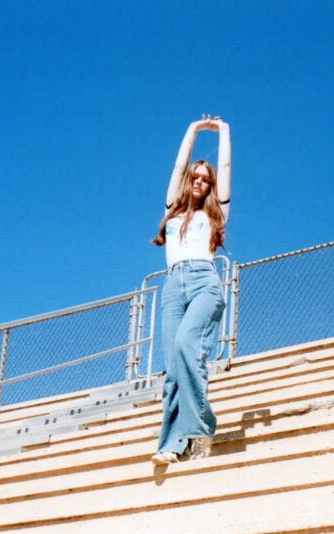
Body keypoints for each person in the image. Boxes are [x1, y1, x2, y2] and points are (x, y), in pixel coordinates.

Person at [150, 114, 231, 465]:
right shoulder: (174, 210)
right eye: (195, 177)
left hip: (203, 281)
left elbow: (225, 165)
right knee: (173, 368)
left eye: (205, 179)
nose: (198, 181)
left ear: (211, 186)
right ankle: (171, 445)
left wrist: (223, 131)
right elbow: (179, 164)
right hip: (172, 286)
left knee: (188, 347)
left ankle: (199, 432)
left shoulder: (216, 214)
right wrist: (193, 130)